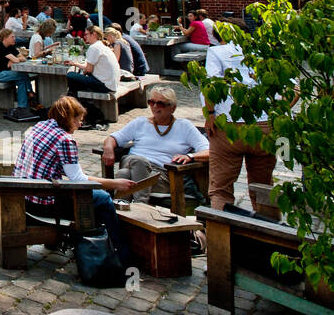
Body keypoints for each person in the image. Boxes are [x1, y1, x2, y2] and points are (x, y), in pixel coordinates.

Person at [15, 96, 135, 264]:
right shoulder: (65, 140)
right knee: (103, 199)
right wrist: (116, 183)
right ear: (68, 118)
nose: (80, 124)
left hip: (24, 195)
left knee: (96, 198)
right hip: (42, 203)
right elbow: (78, 179)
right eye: (78, 120)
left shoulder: (41, 126)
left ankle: (88, 242)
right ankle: (120, 253)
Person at [203, 35, 277, 212]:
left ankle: (221, 236)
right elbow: (293, 87)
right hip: (263, 124)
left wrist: (211, 114)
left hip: (228, 125)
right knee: (264, 187)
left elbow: (211, 84)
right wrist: (277, 112)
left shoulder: (215, 51)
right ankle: (268, 234)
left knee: (221, 188)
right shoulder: (263, 51)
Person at [101, 84, 209, 203]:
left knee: (123, 173)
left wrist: (190, 156)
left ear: (172, 107)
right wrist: (108, 149)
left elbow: (209, 151)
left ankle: (121, 211)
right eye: (152, 102)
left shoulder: (184, 127)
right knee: (138, 162)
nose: (155, 106)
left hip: (162, 176)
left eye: (161, 104)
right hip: (133, 163)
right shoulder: (140, 123)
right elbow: (113, 138)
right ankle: (141, 205)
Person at [0, 27, 35, 121]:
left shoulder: (10, 47)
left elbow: (22, 58)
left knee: (21, 79)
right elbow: (17, 60)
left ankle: (23, 106)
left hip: (6, 72)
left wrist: (13, 61)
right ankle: (29, 94)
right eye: (12, 37)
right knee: (22, 75)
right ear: (5, 38)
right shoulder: (0, 47)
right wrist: (14, 60)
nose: (14, 38)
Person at [65, 24, 119, 100]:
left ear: (94, 34)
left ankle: (74, 100)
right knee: (77, 80)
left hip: (105, 85)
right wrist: (74, 64)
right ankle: (74, 99)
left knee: (70, 75)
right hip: (112, 84)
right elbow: (89, 68)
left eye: (86, 34)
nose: (84, 36)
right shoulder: (102, 46)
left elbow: (88, 70)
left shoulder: (94, 47)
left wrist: (75, 66)